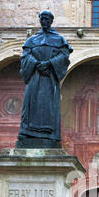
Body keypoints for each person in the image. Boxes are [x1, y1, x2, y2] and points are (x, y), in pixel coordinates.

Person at [16, 10, 73, 148]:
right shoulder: (32, 40)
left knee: (49, 105)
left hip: (49, 77)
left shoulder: (59, 39)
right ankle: (26, 132)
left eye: (47, 19)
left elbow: (64, 56)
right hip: (35, 77)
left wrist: (49, 63)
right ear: (40, 20)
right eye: (42, 19)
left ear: (51, 21)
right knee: (30, 103)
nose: (44, 21)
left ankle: (50, 135)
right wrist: (36, 64)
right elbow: (25, 55)